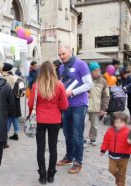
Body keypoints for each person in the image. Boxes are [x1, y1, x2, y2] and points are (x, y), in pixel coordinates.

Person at [28, 61, 68, 184]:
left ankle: (42, 175)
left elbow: (30, 104)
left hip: (39, 119)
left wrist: (31, 114)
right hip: (54, 119)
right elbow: (64, 105)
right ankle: (51, 174)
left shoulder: (36, 85)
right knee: (53, 148)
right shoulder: (59, 85)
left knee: (40, 148)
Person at [57, 46, 93, 174]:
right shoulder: (61, 67)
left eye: (63, 53)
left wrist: (72, 92)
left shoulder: (81, 64)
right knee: (67, 133)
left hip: (79, 104)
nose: (61, 56)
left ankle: (78, 162)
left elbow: (89, 84)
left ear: (70, 52)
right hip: (66, 105)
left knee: (77, 134)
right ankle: (69, 157)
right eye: (59, 54)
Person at [100, 112, 131, 186]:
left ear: (125, 122)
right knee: (111, 169)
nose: (119, 124)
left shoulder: (128, 132)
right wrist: (103, 150)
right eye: (117, 122)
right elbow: (106, 141)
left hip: (124, 157)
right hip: (112, 155)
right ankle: (119, 178)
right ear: (113, 122)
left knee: (122, 171)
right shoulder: (110, 130)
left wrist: (129, 142)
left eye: (121, 122)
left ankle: (121, 183)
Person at [86, 62, 110, 146]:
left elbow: (106, 96)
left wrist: (103, 109)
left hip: (96, 106)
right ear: (91, 71)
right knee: (82, 123)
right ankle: (83, 139)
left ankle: (93, 138)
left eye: (98, 70)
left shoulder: (103, 81)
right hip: (85, 106)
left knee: (94, 125)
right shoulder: (86, 79)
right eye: (95, 70)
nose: (97, 72)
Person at [2, 63, 21, 141]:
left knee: (9, 118)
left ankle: (6, 133)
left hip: (8, 100)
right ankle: (16, 133)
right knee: (15, 118)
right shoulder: (16, 77)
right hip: (16, 100)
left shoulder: (3, 78)